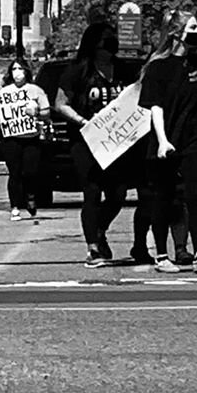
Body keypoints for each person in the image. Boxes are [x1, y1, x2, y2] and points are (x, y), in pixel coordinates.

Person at [139, 10, 197, 275]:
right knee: (164, 197)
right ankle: (162, 255)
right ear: (177, 32)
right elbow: (155, 107)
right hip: (165, 142)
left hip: (193, 140)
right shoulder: (158, 67)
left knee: (194, 196)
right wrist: (162, 140)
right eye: (193, 27)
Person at [55, 22, 138, 266]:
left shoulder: (123, 69)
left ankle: (100, 229)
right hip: (86, 142)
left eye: (113, 41)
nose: (109, 47)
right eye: (105, 42)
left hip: (117, 142)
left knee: (118, 192)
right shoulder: (78, 70)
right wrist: (84, 121)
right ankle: (93, 246)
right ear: (93, 45)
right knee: (92, 192)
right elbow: (60, 103)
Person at [0, 58, 50, 220]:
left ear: (26, 71)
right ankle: (15, 206)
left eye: (20, 69)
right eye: (14, 69)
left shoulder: (36, 90)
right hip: (11, 139)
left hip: (31, 138)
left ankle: (30, 196)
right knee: (14, 173)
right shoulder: (4, 92)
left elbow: (47, 113)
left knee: (30, 171)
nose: (17, 72)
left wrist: (36, 113)